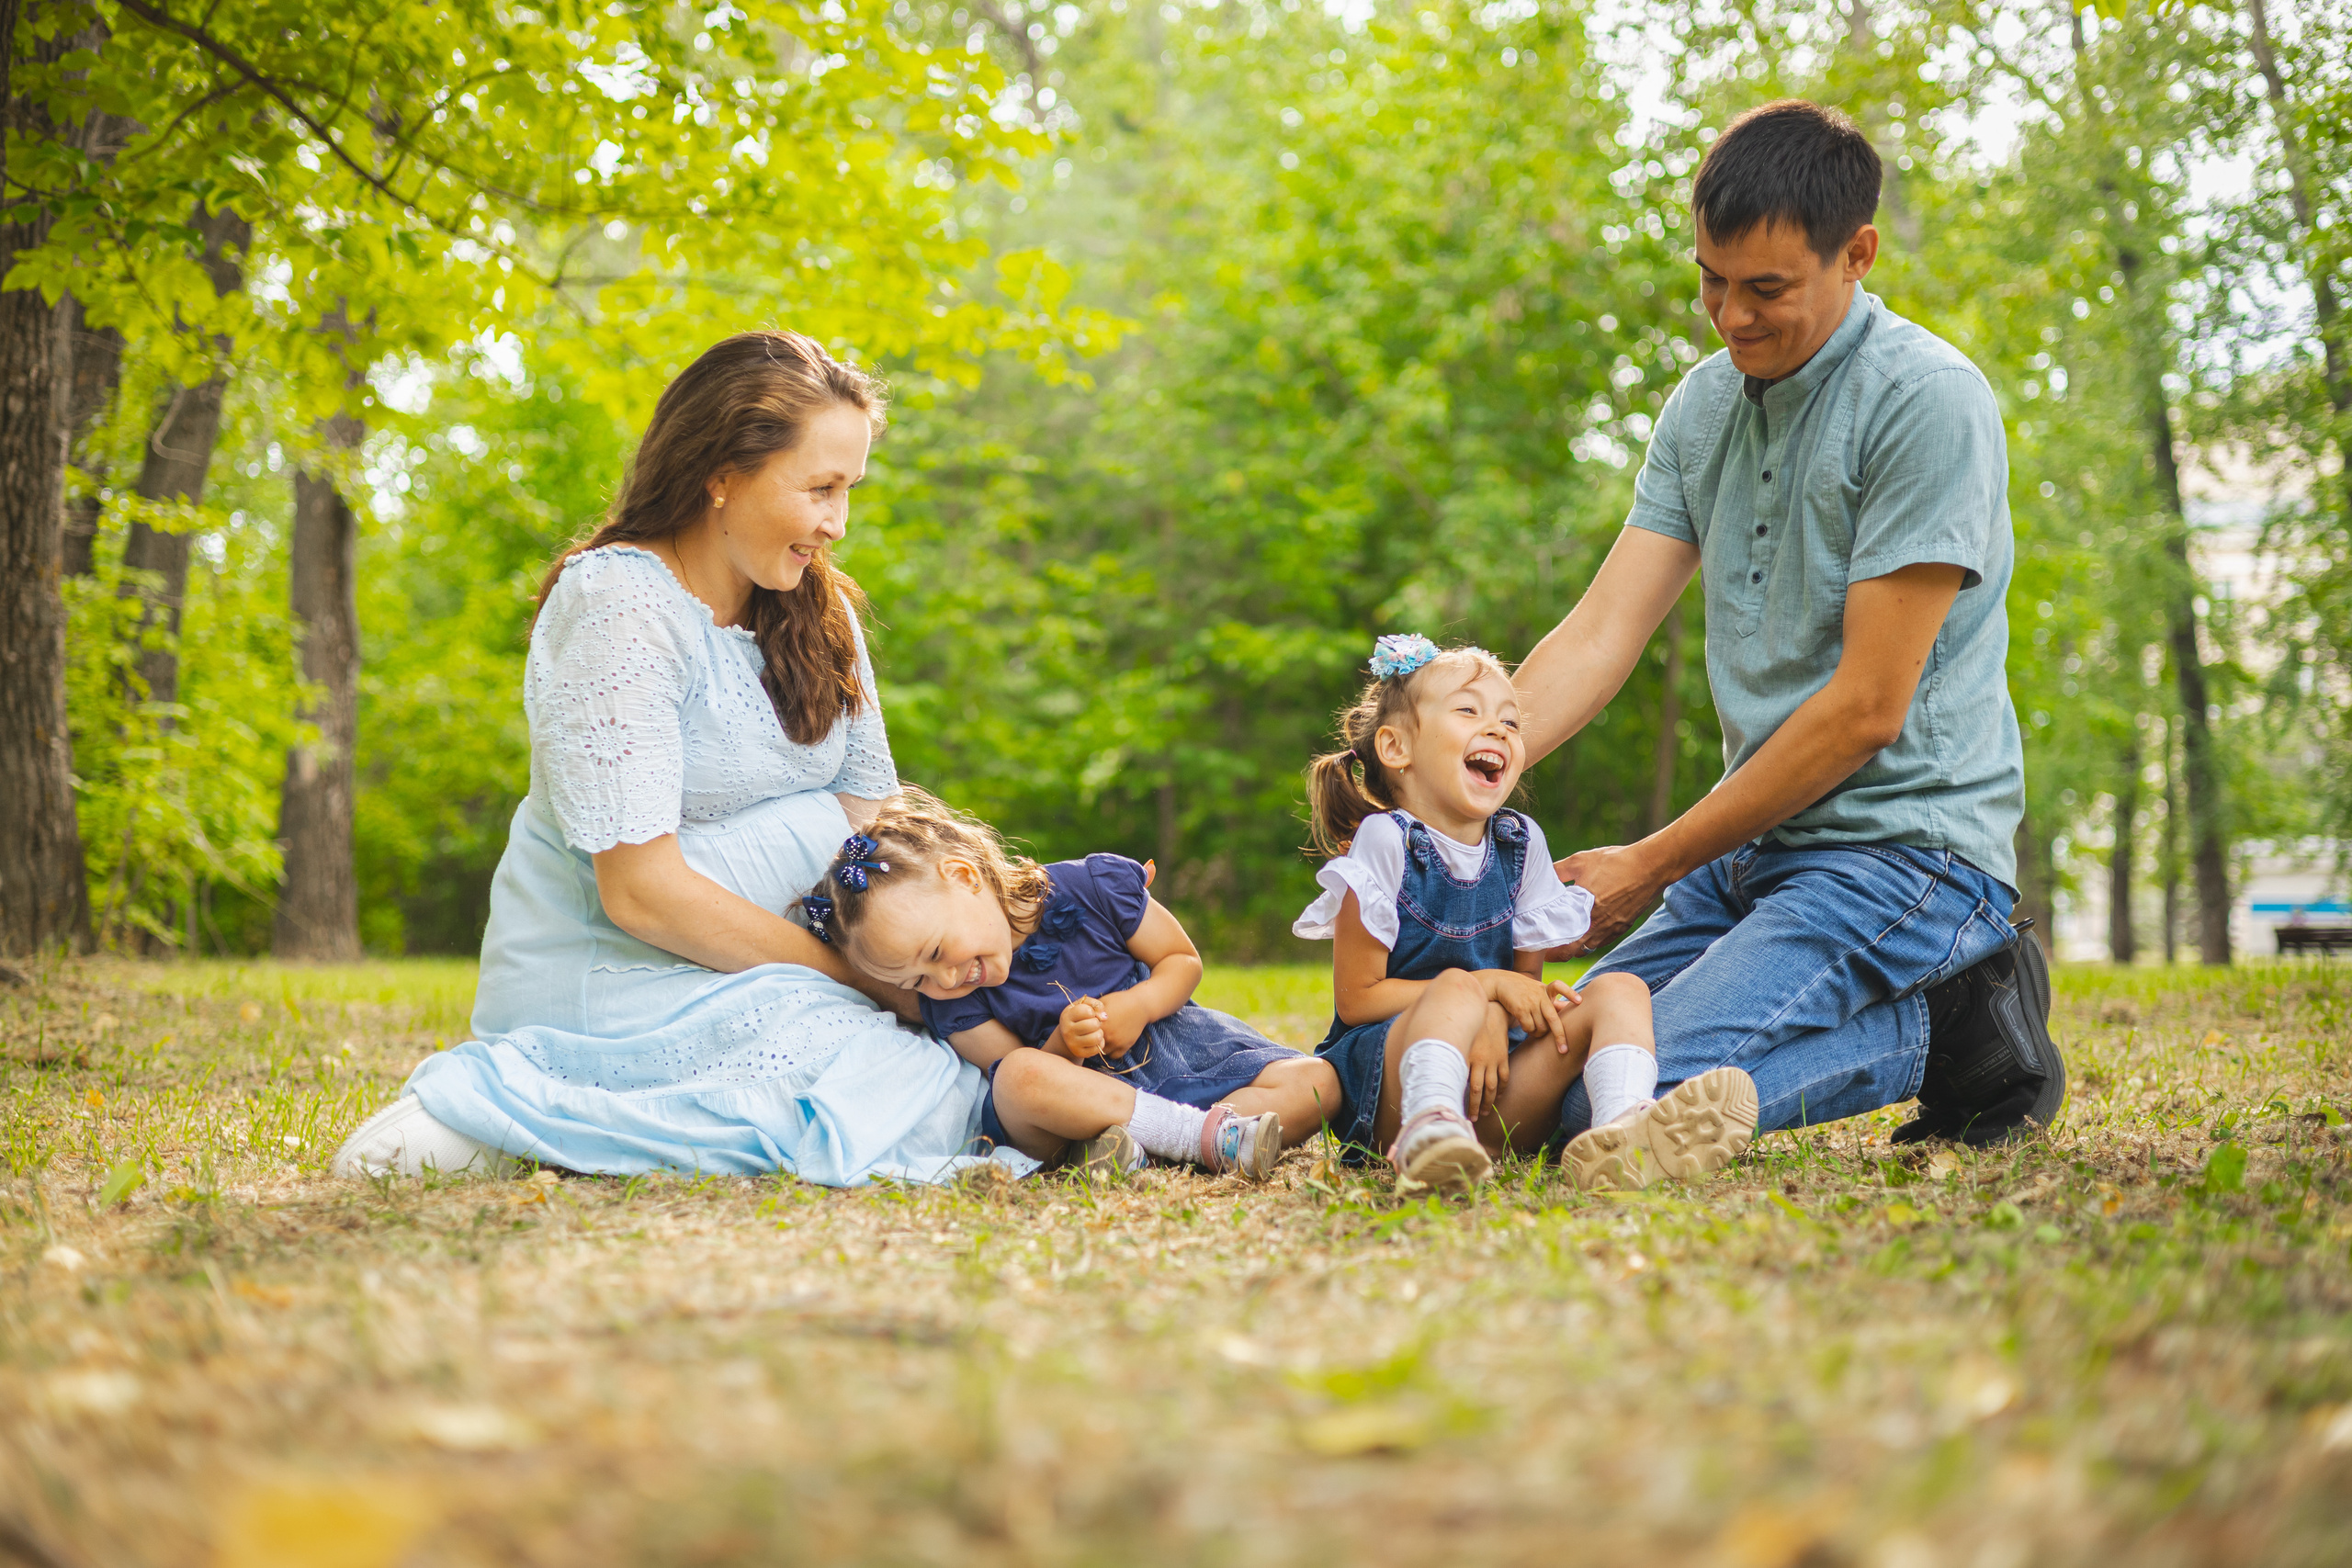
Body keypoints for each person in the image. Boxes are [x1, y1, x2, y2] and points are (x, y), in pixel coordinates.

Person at [334, 331, 1035, 1186]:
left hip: (792, 959)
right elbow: (641, 892)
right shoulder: (619, 604)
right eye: (819, 488)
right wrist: (867, 984)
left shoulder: (819, 613)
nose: (836, 522)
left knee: (965, 1045)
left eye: (847, 490)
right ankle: (515, 1110)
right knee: (883, 1068)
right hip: (622, 972)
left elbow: (877, 830)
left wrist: (938, 951)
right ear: (721, 474)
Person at [1515, 100, 2065, 1149]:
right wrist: (1454, 779)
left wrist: (1651, 860)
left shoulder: (1925, 400)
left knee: (1600, 1104)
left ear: (1856, 253)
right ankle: (1936, 1019)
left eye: (1765, 289)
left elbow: (1865, 710)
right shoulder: (1701, 408)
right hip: (1752, 845)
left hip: (1906, 854)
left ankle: (1958, 1030)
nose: (1729, 316)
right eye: (1711, 281)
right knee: (1533, 1084)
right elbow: (1599, 633)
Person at [1295, 635, 1759, 1195]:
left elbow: (1526, 993)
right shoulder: (1386, 841)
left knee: (1621, 989)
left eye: (1510, 722)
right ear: (1397, 749)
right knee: (1456, 988)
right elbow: (1358, 999)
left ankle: (1623, 1128)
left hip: (1494, 1089)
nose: (1498, 730)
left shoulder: (1520, 844)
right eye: (1468, 711)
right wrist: (1483, 993)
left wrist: (1498, 1012)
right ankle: (1429, 1132)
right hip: (1386, 1092)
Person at [807, 790, 1337, 1179]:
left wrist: (1138, 1003)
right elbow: (1015, 1073)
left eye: (938, 952)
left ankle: (1176, 1141)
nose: (944, 978)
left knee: (1319, 1082)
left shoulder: (1092, 886)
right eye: (917, 979)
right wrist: (1064, 1045)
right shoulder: (955, 1002)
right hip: (1079, 1104)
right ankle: (1197, 1140)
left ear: (965, 877)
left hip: (1180, 1049)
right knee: (1019, 1076)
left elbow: (1181, 960)